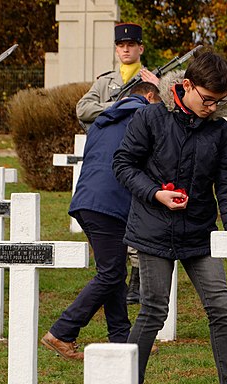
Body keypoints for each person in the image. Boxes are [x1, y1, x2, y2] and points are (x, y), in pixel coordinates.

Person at [112, 50, 227, 384]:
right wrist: (155, 193)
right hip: (152, 229)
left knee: (221, 307)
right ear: (187, 85)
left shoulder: (222, 133)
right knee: (153, 310)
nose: (212, 107)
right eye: (206, 99)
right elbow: (123, 165)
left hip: (199, 233)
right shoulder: (151, 117)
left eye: (219, 101)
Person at [41, 82, 161, 361]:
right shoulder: (142, 115)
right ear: (150, 96)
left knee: (114, 271)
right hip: (109, 204)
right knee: (110, 274)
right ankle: (62, 331)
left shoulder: (104, 119)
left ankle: (121, 338)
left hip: (88, 201)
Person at [76, 22, 157, 305]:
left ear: (140, 48)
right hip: (110, 156)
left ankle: (135, 281)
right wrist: (118, 106)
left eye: (131, 45)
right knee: (113, 220)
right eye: (121, 45)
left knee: (137, 214)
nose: (125, 49)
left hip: (140, 158)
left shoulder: (153, 80)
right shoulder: (105, 82)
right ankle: (116, 278)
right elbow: (82, 109)